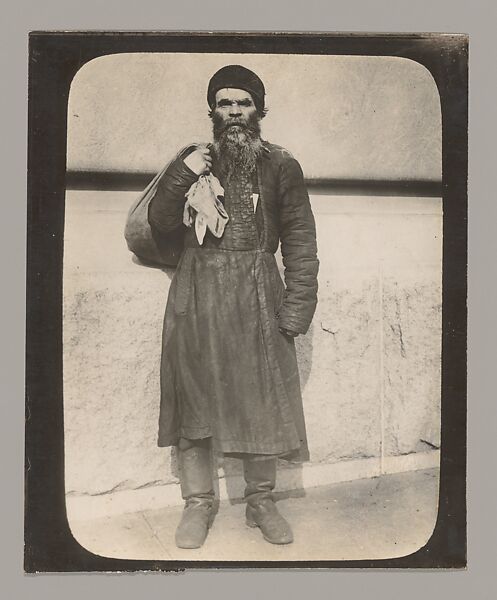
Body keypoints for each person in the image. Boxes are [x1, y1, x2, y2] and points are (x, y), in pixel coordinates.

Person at [147, 65, 319, 549]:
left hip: (258, 296)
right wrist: (185, 172)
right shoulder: (193, 159)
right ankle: (198, 503)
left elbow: (302, 241)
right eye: (225, 103)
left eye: (243, 103)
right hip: (197, 295)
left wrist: (296, 310)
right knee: (194, 398)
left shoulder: (281, 164)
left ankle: (261, 500)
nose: (235, 112)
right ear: (212, 111)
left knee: (261, 398)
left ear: (259, 110)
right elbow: (161, 223)